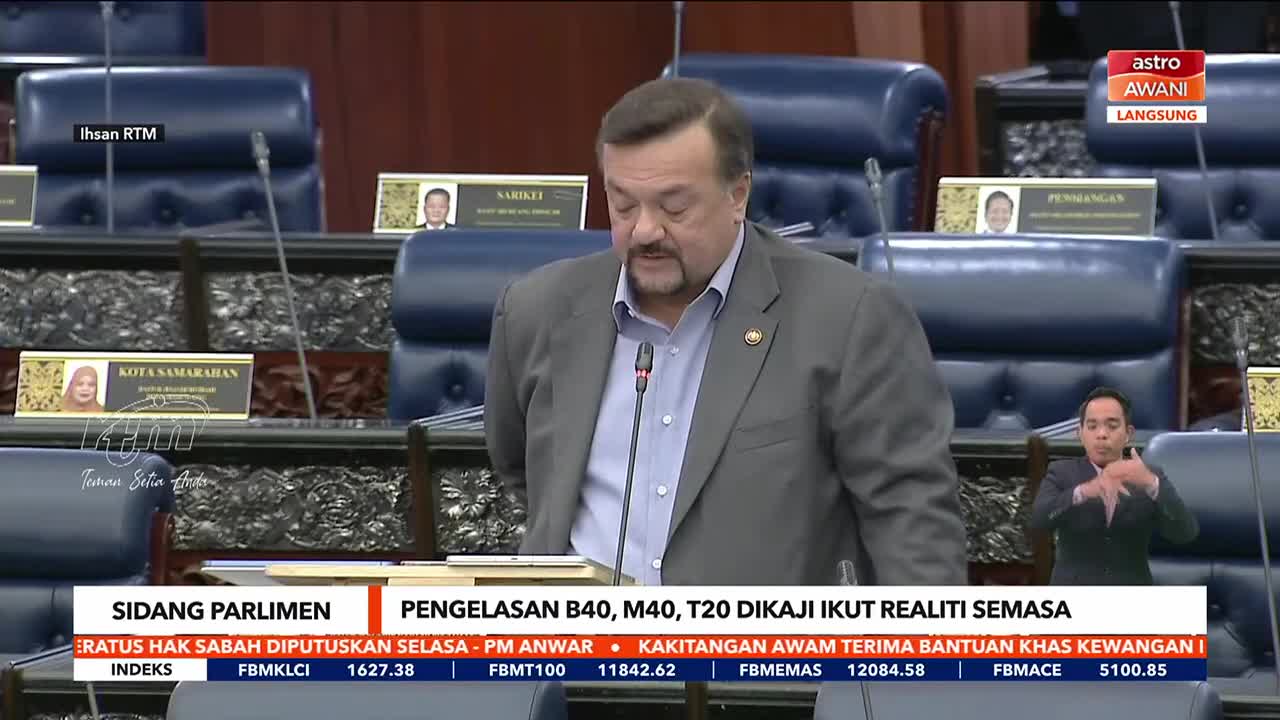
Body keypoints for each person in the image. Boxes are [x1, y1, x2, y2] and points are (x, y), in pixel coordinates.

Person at [484, 77, 967, 586]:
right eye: (623, 205)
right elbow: (525, 474)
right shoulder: (536, 311)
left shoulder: (849, 319)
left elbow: (911, 523)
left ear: (737, 195)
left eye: (674, 207)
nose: (645, 231)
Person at [1030, 387, 1199, 585]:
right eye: (1092, 426)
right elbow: (1039, 522)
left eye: (1112, 426)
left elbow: (1185, 533)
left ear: (1128, 433)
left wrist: (1152, 485)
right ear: (1080, 434)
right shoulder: (1061, 473)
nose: (1102, 434)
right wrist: (1083, 492)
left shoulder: (1149, 475)